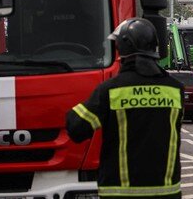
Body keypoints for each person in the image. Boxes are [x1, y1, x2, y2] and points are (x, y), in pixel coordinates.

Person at [66, 18, 184, 198]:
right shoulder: (175, 89)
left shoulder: (111, 91)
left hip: (121, 194)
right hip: (167, 193)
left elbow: (77, 129)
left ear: (123, 48)